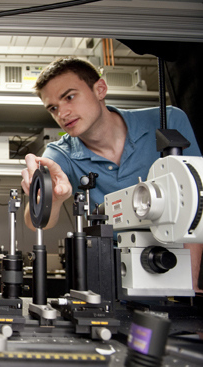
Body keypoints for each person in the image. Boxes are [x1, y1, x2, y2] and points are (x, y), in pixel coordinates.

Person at [20, 56, 202, 292]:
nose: (62, 113)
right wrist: (52, 199)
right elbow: (35, 223)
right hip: (116, 274)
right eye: (53, 108)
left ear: (100, 89)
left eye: (69, 97)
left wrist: (188, 286)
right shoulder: (60, 154)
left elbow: (195, 202)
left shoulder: (167, 120)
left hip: (180, 260)